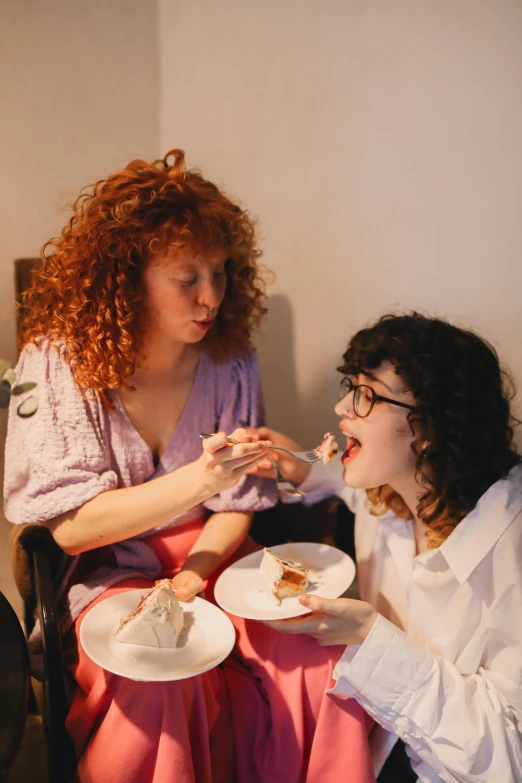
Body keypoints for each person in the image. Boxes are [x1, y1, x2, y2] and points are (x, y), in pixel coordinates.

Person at [3, 149, 375, 783]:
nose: (211, 297)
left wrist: (194, 578)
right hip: (108, 571)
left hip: (218, 559)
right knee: (160, 683)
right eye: (187, 277)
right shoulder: (58, 360)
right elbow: (67, 527)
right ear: (128, 276)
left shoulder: (230, 357)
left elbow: (237, 507)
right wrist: (200, 480)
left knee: (317, 661)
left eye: (221, 272)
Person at [249, 312, 522, 783]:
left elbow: (508, 758)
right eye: (348, 387)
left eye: (366, 396)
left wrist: (374, 642)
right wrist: (296, 467)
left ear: (428, 427)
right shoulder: (395, 491)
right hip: (378, 747)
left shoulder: (509, 546)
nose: (342, 411)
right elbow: (347, 482)